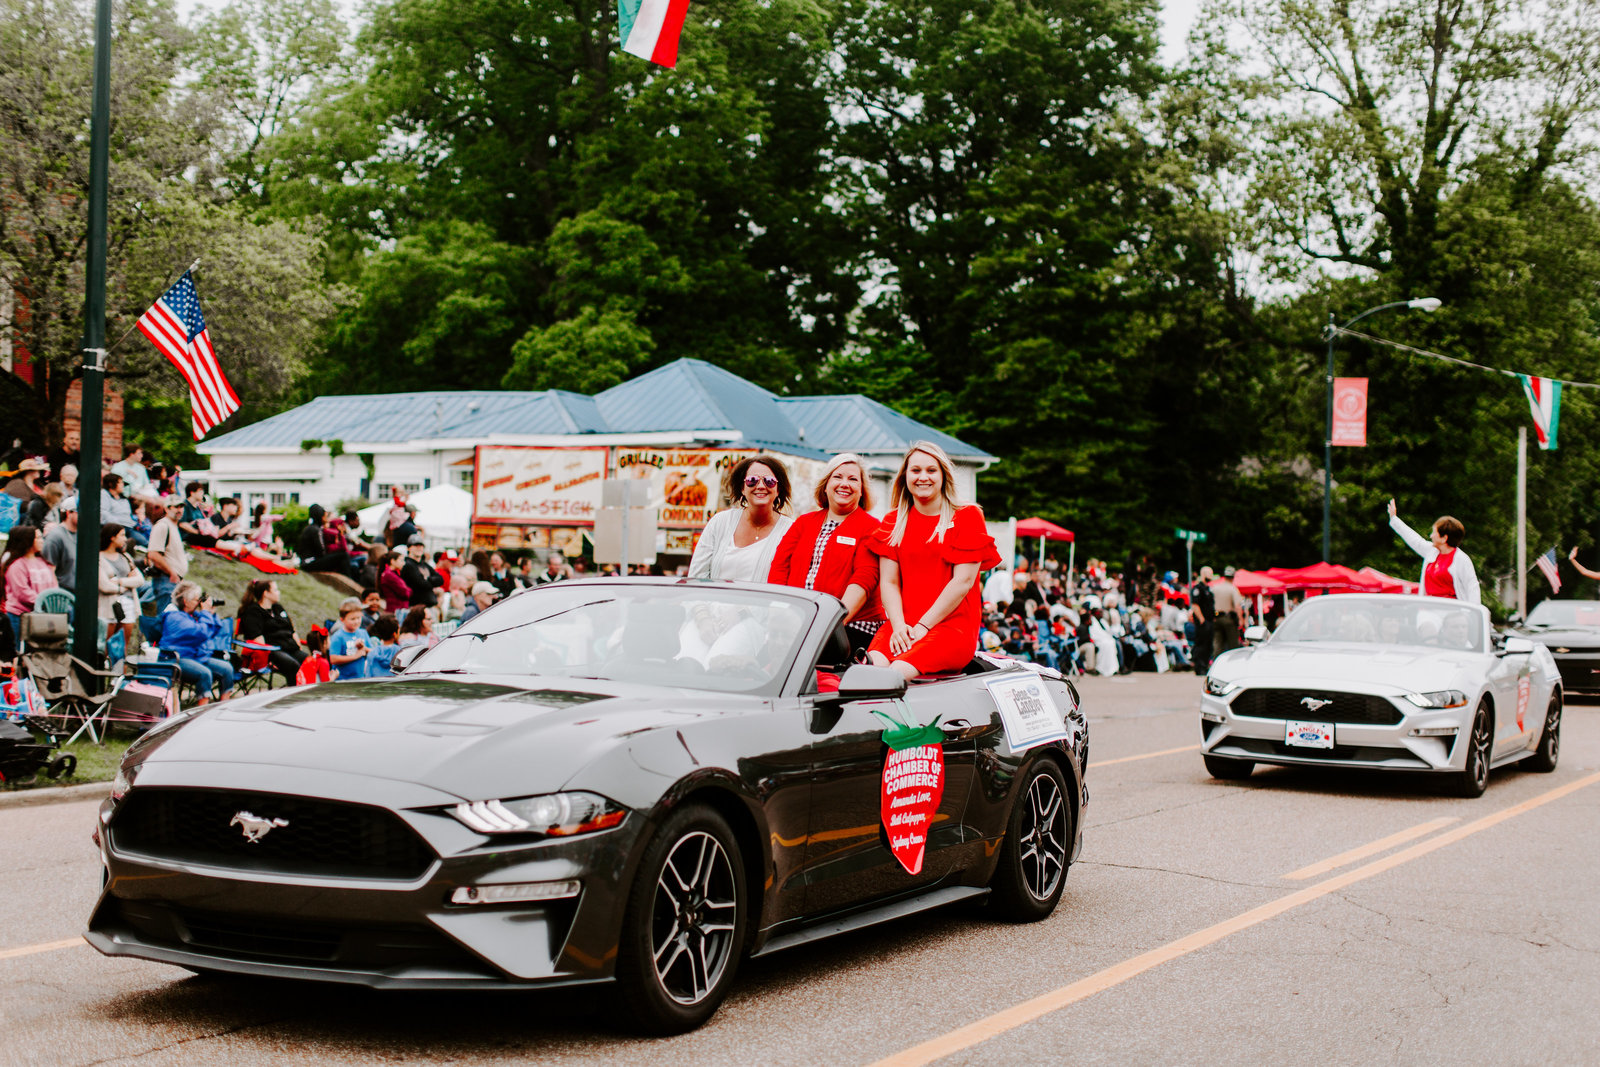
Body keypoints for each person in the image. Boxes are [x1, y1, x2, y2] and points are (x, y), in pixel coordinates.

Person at [864, 442, 999, 680]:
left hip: (950, 627)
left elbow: (963, 582)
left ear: (943, 475)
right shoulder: (893, 521)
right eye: (915, 470)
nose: (923, 477)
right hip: (902, 625)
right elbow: (889, 582)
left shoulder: (967, 515)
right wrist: (898, 627)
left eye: (931, 470)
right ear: (905, 476)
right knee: (867, 673)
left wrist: (923, 627)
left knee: (895, 675)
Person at [767, 452, 885, 656]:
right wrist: (779, 611)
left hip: (849, 626)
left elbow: (865, 578)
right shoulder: (804, 522)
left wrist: (831, 622)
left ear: (862, 490)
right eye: (837, 477)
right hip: (797, 622)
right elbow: (780, 567)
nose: (844, 484)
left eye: (853, 479)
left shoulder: (872, 528)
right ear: (826, 484)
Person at [688, 455, 795, 581]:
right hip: (713, 600)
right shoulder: (720, 522)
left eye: (769, 481)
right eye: (752, 480)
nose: (760, 486)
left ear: (778, 490)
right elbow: (697, 577)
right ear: (742, 488)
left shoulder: (791, 530)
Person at [1387, 499, 1480, 605]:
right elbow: (1415, 540)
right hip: (1429, 609)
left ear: (1444, 538)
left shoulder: (1461, 559)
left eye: (1434, 532)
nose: (1431, 536)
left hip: (1453, 612)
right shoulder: (1432, 552)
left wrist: (1474, 616)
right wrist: (1394, 519)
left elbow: (1472, 588)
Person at [160, 582, 235, 704]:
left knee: (227, 669)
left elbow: (211, 632)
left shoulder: (191, 615)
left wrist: (210, 613)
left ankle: (223, 706)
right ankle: (201, 712)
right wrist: (205, 612)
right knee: (204, 673)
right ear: (185, 601)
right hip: (176, 658)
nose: (198, 604)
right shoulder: (174, 617)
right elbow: (201, 633)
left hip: (194, 656)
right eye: (196, 600)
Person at [238, 579, 308, 683]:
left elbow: (291, 629)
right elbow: (258, 639)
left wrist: (297, 644)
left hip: (290, 648)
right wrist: (266, 659)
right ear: (266, 593)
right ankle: (294, 695)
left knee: (310, 662)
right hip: (272, 651)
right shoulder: (253, 612)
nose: (278, 592)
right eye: (275, 590)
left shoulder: (278, 608)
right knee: (293, 665)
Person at [2, 526, 56, 643]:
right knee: (17, 651)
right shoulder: (17, 565)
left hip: (42, 615)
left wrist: (51, 601)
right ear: (28, 540)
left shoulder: (43, 563)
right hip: (19, 616)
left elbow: (53, 586)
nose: (42, 541)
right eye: (38, 538)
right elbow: (22, 592)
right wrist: (43, 602)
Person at [97, 523, 144, 649]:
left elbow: (139, 579)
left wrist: (119, 582)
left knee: (123, 646)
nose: (125, 539)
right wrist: (126, 585)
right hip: (109, 604)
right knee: (106, 645)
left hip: (129, 603)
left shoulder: (125, 557)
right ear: (112, 537)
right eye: (122, 535)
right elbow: (105, 585)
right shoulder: (99, 558)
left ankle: (120, 668)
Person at [145, 495, 189, 608]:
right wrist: (172, 572)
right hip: (166, 579)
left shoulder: (173, 526)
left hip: (172, 580)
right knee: (165, 616)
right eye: (176, 507)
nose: (179, 510)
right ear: (167, 509)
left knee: (170, 616)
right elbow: (153, 554)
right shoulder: (163, 526)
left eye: (181, 506)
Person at [297, 504, 351, 573]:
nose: (327, 519)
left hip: (308, 561)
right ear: (320, 517)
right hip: (310, 562)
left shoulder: (311, 528)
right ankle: (348, 579)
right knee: (343, 555)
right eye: (325, 516)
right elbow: (321, 551)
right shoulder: (315, 530)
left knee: (340, 556)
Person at [40, 495, 77, 592]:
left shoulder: (84, 535)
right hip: (64, 594)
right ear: (69, 513)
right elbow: (49, 570)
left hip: (82, 593)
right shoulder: (55, 536)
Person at [328, 599, 371, 680]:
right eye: (352, 619)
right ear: (342, 620)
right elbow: (333, 659)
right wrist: (355, 656)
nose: (357, 621)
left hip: (360, 678)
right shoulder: (338, 636)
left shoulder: (363, 633)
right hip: (342, 679)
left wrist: (363, 647)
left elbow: (372, 652)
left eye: (359, 618)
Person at [400, 535, 443, 608]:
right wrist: (430, 581)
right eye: (416, 546)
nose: (419, 548)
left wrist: (427, 579)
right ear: (409, 548)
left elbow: (440, 579)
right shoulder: (407, 564)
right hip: (416, 606)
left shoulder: (424, 564)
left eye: (421, 546)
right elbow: (421, 584)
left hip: (428, 605)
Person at [1212, 567, 1245, 657]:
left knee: (1218, 644)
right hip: (1228, 619)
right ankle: (1232, 665)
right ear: (1233, 577)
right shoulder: (1232, 588)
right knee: (1233, 644)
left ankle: (1216, 663)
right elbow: (1237, 606)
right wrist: (1241, 620)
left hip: (1216, 618)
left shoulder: (1215, 587)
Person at [1189, 566, 1217, 675]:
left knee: (1208, 644)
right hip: (1203, 622)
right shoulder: (1198, 589)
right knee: (1201, 645)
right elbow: (1195, 605)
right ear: (1204, 574)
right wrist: (1202, 620)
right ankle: (1199, 666)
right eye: (1210, 573)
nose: (1211, 576)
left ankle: (1205, 666)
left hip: (1209, 621)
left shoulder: (1208, 589)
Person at [177, 481, 217, 547]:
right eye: (200, 491)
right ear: (192, 493)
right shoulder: (184, 506)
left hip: (198, 536)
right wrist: (198, 533)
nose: (202, 493)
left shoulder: (199, 507)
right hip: (188, 536)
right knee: (210, 540)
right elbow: (182, 524)